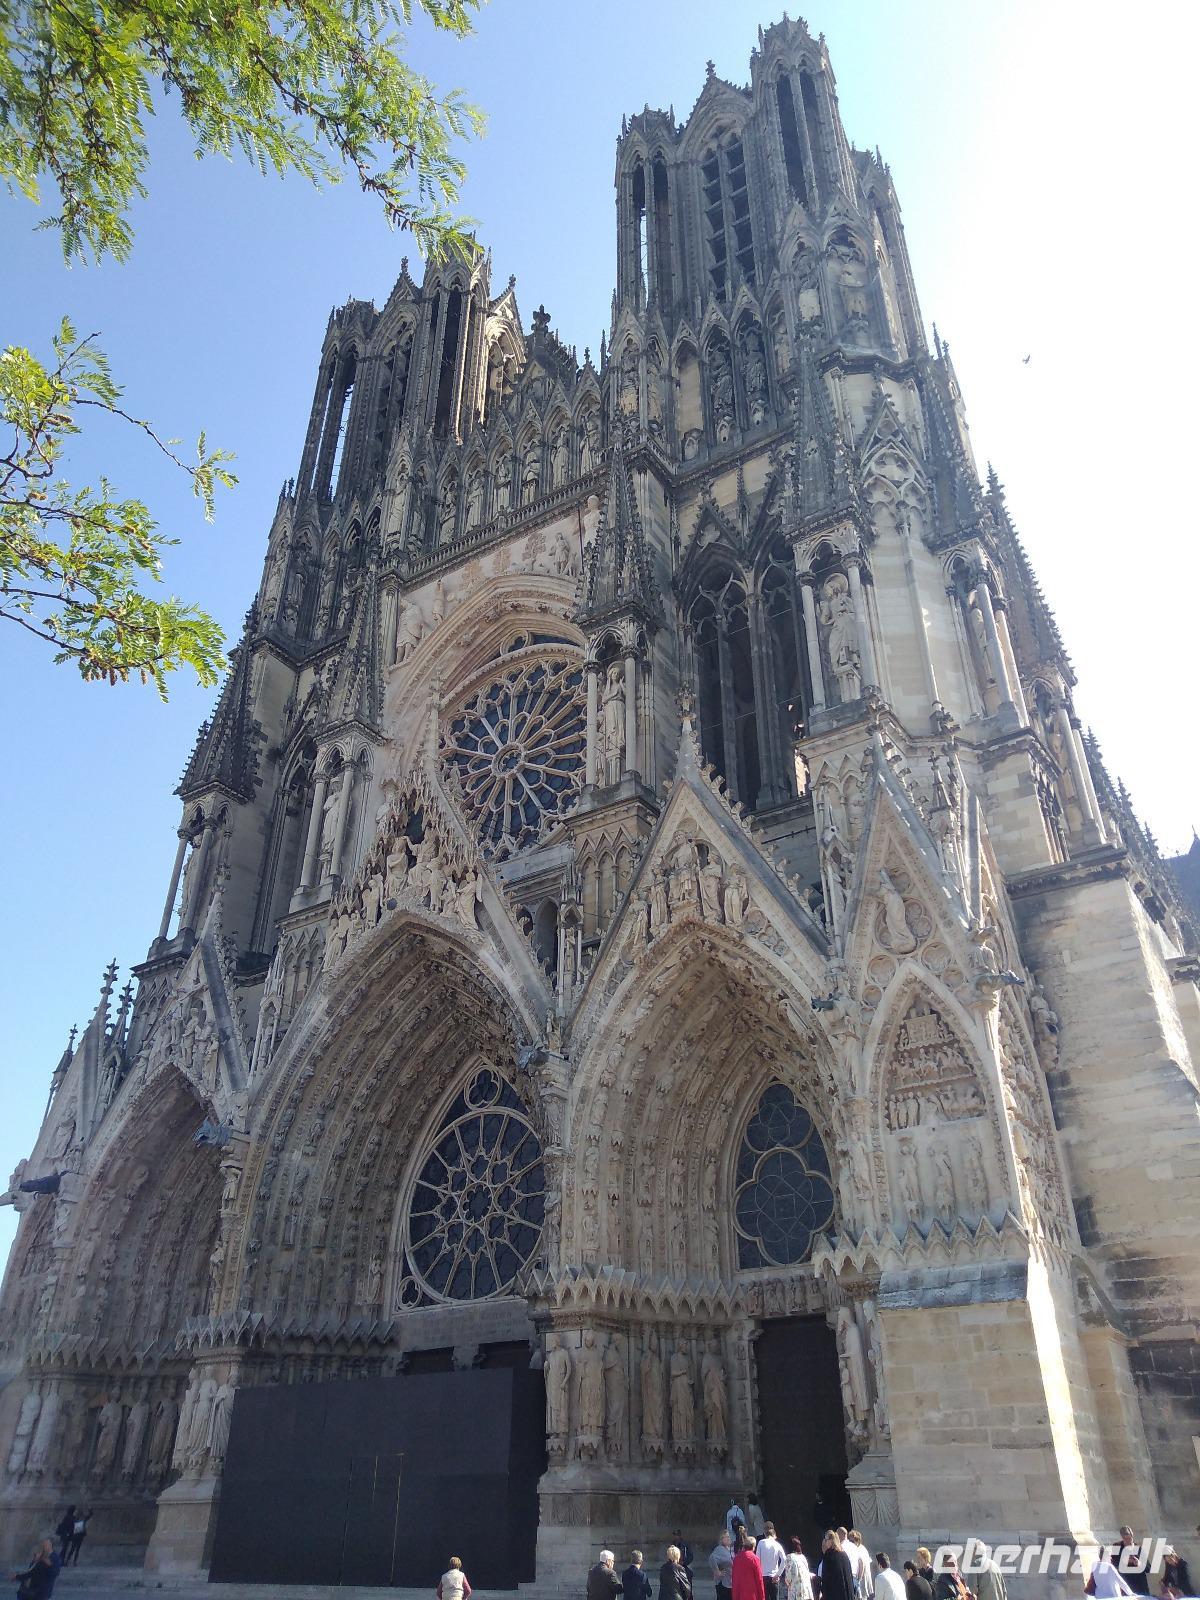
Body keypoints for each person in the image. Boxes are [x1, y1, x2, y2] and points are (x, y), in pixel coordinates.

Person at [1112, 1531, 1151, 1597]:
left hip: (1141, 1587)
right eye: (1126, 1539)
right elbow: (1113, 1568)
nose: (1128, 1541)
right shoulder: (1117, 1548)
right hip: (1126, 1588)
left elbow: (1149, 1569)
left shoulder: (1139, 1549)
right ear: (1122, 1539)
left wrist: (1139, 1563)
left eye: (1130, 1539)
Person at [819, 1532, 856, 1600]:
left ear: (831, 1540)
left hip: (835, 1594)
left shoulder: (829, 1555)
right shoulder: (843, 1554)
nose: (825, 1542)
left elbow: (826, 1577)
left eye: (826, 1540)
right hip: (846, 1594)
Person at [758, 1523, 785, 1600]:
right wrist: (778, 1574)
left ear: (765, 1534)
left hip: (763, 1575)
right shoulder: (777, 1544)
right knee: (774, 1598)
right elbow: (784, 1560)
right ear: (774, 1535)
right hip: (774, 1576)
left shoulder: (761, 1543)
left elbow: (757, 1559)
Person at [845, 1532, 871, 1600]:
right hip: (863, 1583)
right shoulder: (863, 1548)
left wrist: (858, 1580)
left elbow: (862, 1563)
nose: (850, 1543)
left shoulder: (857, 1550)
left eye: (852, 1541)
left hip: (860, 1582)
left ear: (857, 1540)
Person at [710, 1532, 734, 1600]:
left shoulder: (730, 1549)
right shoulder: (719, 1549)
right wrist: (717, 1571)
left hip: (731, 1582)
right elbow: (712, 1558)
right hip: (723, 1583)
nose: (728, 1538)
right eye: (725, 1537)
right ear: (721, 1539)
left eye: (729, 1537)